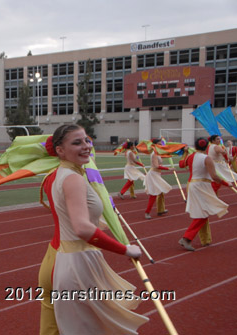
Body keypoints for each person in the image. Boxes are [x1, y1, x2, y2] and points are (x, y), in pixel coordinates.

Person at [38, 124, 148, 335]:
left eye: (87, 140)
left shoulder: (55, 175)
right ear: (60, 150)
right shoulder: (73, 179)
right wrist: (124, 249)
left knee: (53, 330)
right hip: (72, 263)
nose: (86, 146)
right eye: (77, 142)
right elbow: (82, 228)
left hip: (57, 258)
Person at [178, 138, 229, 251]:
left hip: (193, 185)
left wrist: (185, 152)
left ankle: (196, 239)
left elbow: (181, 164)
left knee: (203, 212)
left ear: (195, 147)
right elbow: (214, 176)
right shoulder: (207, 158)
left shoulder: (191, 156)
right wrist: (227, 184)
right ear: (206, 147)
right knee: (203, 213)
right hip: (201, 186)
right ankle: (187, 238)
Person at [143, 138, 173, 219]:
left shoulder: (158, 153)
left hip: (157, 174)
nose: (161, 145)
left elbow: (165, 154)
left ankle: (160, 210)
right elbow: (156, 166)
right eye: (159, 144)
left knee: (160, 192)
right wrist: (168, 169)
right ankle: (147, 212)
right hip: (153, 175)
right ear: (155, 145)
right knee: (153, 194)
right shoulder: (154, 154)